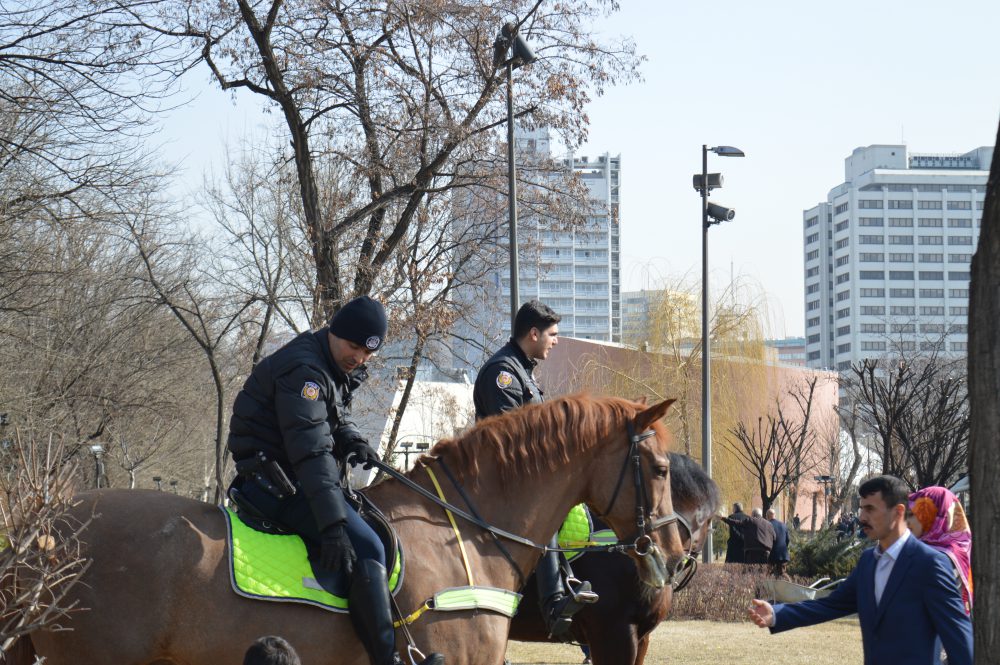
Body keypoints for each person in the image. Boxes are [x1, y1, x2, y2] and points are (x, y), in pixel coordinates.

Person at [227, 296, 443, 665]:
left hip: (291, 475)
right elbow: (312, 453)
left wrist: (353, 440)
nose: (359, 357)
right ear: (335, 332)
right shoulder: (305, 373)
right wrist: (332, 527)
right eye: (353, 346)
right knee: (369, 547)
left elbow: (332, 419)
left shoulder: (327, 364)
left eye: (367, 352)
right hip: (274, 483)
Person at [748, 475, 973, 665]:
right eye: (861, 509)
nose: (862, 517)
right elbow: (831, 604)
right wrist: (777, 614)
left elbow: (961, 642)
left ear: (898, 512)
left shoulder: (931, 564)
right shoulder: (868, 561)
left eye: (870, 509)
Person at [473, 300, 597, 638]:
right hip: (499, 483)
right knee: (543, 512)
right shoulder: (503, 374)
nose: (556, 340)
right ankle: (553, 602)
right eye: (552, 334)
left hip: (519, 478)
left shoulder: (521, 370)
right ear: (533, 333)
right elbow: (509, 439)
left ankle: (567, 578)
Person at [907, 486, 973, 615]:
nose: (907, 521)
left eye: (913, 514)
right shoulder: (955, 547)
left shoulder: (942, 557)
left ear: (933, 516)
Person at [766, 508, 790, 577]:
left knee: (768, 574)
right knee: (782, 574)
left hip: (771, 554)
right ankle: (787, 583)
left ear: (767, 516)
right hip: (783, 554)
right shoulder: (783, 525)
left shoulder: (767, 525)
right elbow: (788, 539)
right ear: (774, 515)